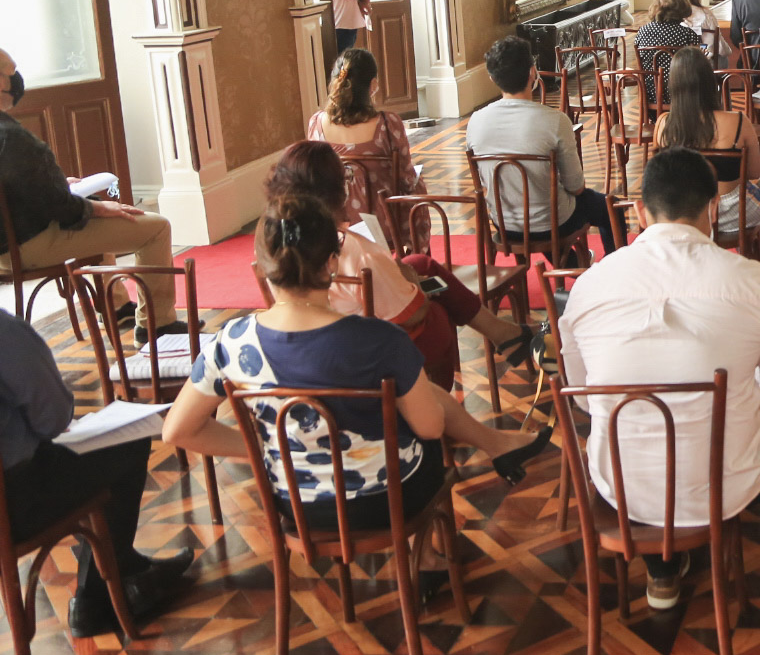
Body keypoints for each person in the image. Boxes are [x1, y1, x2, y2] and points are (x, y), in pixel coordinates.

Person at [162, 192, 552, 540]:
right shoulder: (380, 339)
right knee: (421, 418)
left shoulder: (229, 342)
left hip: (296, 506)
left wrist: (265, 449)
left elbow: (177, 429)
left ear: (260, 266)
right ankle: (430, 553)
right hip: (389, 500)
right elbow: (431, 428)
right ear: (332, 262)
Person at [558, 148, 760, 610]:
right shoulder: (754, 281)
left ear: (640, 212)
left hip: (623, 488)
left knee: (631, 414)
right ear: (713, 208)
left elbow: (583, 396)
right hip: (728, 483)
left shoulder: (589, 285)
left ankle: (662, 571)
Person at [269, 141, 536, 388]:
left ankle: (504, 334)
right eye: (347, 178)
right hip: (368, 349)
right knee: (439, 310)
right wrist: (413, 285)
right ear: (337, 191)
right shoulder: (360, 252)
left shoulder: (276, 242)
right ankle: (435, 405)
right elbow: (411, 315)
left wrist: (403, 274)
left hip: (311, 344)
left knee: (420, 262)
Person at [2, 307, 195, 637]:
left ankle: (128, 568)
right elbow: (54, 417)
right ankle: (92, 598)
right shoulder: (4, 332)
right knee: (128, 442)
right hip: (16, 505)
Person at [1, 47, 179, 339]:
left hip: (7, 247)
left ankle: (115, 307)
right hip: (27, 245)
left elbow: (16, 189)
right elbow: (64, 209)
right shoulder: (12, 137)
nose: (17, 79)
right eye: (12, 72)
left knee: (95, 216)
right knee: (155, 227)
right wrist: (99, 207)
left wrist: (58, 184)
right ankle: (157, 326)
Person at [466, 36, 618, 261]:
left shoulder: (475, 121)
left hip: (505, 224)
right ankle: (612, 266)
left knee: (546, 201)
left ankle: (575, 264)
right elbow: (576, 187)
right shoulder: (555, 121)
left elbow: (486, 182)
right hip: (553, 223)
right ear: (532, 72)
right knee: (610, 206)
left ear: (492, 78)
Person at [651, 49, 760, 257]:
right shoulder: (737, 121)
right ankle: (758, 254)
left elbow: (659, 176)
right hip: (732, 213)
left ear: (674, 85)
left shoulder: (663, 125)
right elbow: (753, 172)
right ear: (710, 82)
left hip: (683, 214)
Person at [306, 46, 426, 234]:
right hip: (383, 222)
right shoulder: (387, 124)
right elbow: (406, 179)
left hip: (333, 223)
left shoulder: (316, 123)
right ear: (373, 85)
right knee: (417, 188)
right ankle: (411, 250)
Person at [633, 0, 702, 91]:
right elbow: (697, 64)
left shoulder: (642, 31)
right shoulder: (688, 34)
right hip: (679, 92)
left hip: (650, 90)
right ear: (683, 7)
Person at [674, 0, 726, 66]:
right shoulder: (706, 15)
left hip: (675, 63)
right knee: (722, 57)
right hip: (702, 63)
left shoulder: (669, 15)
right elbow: (715, 45)